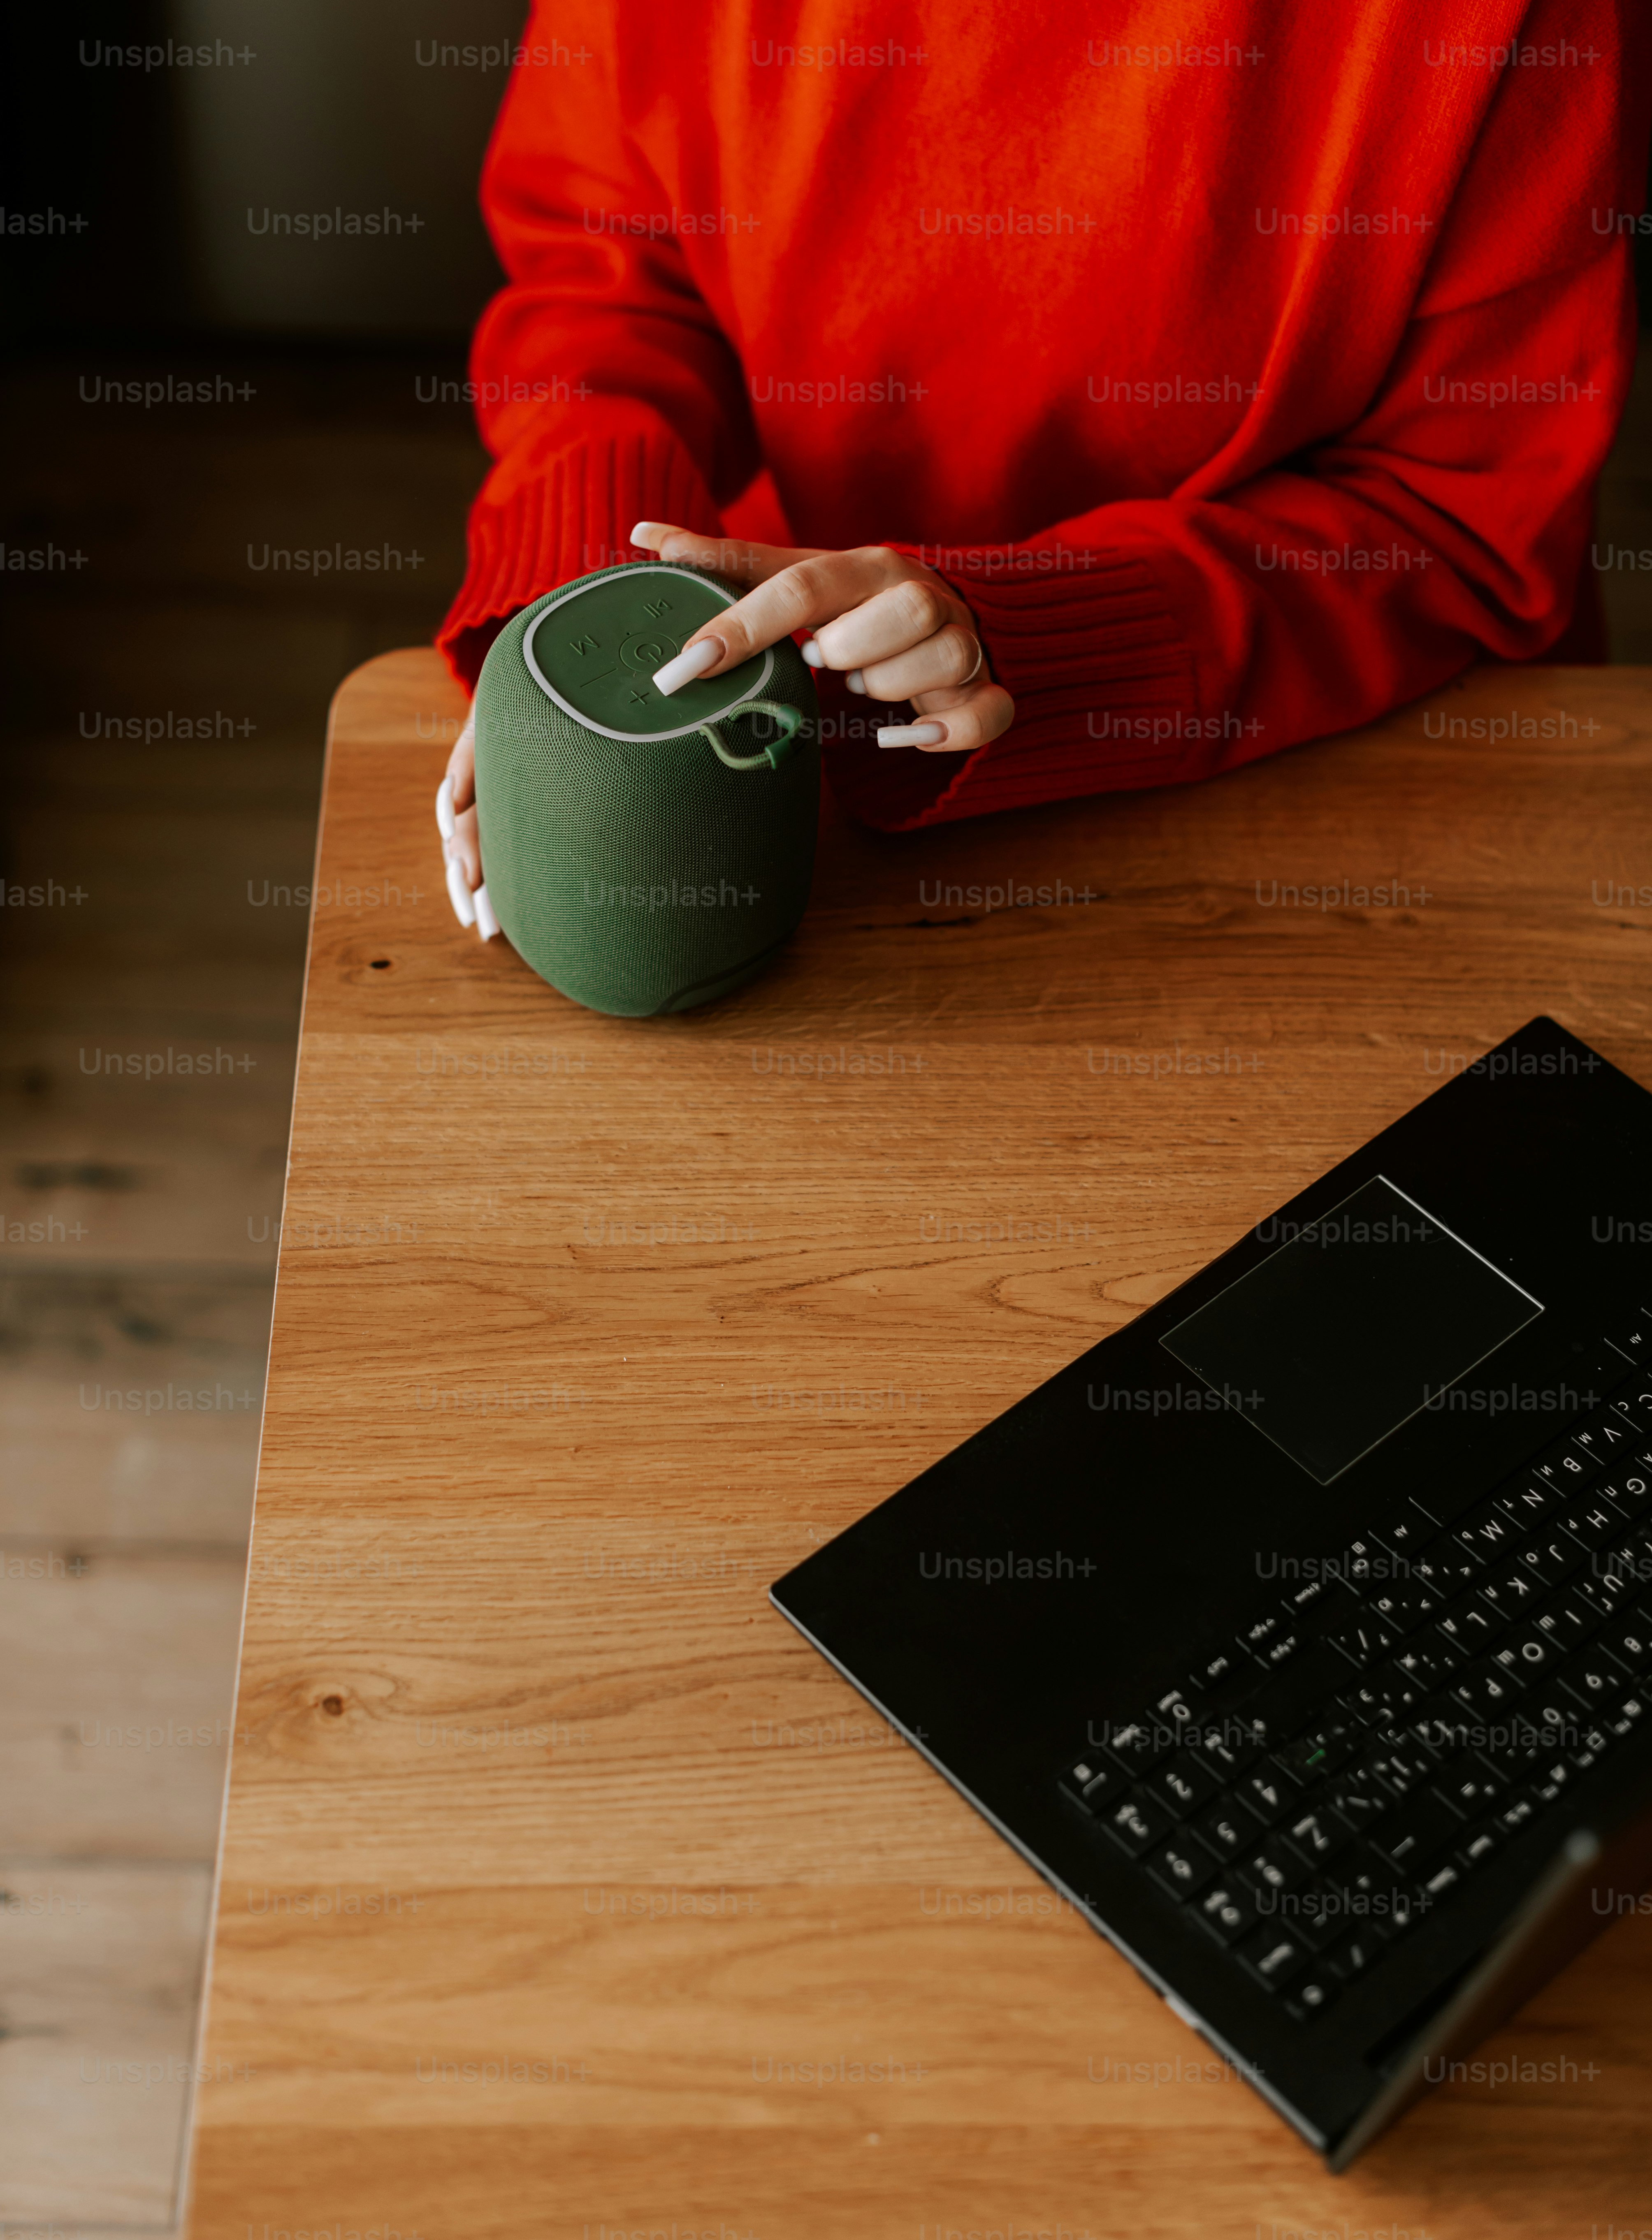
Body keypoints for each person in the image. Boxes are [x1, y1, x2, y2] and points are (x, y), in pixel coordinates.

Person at [438, 0, 1648, 933]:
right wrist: (594, 605)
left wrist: (1044, 634)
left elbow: (1455, 518)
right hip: (796, 723)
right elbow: (605, 276)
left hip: (1346, 794)